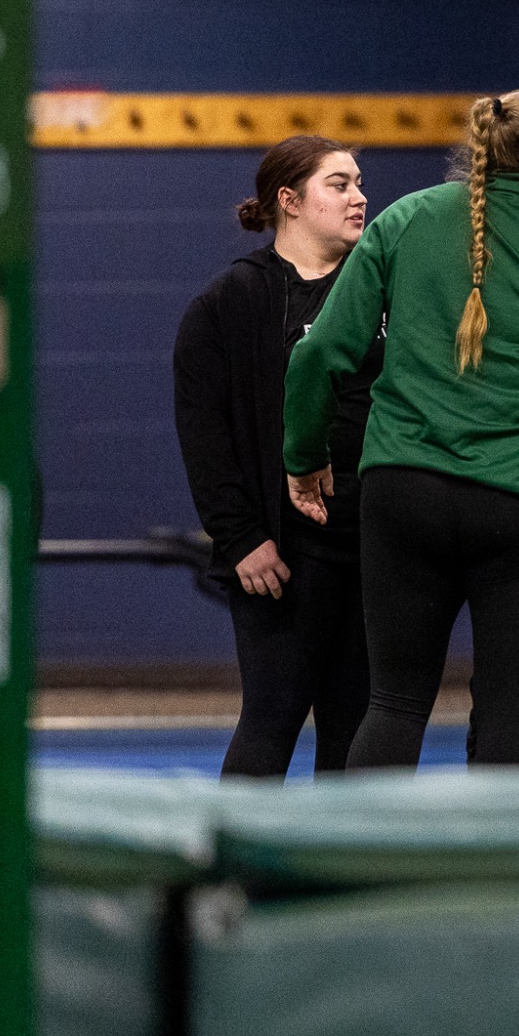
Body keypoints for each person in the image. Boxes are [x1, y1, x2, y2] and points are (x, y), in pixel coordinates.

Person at [284, 90, 519, 768]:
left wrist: (304, 456)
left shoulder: (405, 219)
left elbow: (320, 354)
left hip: (403, 493)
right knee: (511, 719)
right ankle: (495, 874)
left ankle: (360, 872)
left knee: (391, 704)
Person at [173, 135, 378, 780]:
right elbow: (206, 436)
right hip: (284, 553)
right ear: (289, 201)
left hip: (373, 542)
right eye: (338, 185)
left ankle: (339, 868)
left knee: (357, 723)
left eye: (358, 182)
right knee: (273, 714)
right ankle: (230, 870)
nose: (359, 197)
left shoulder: (381, 291)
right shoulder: (227, 304)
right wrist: (242, 539)